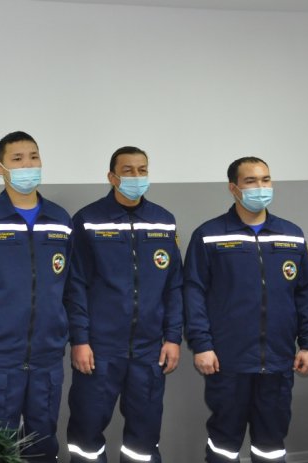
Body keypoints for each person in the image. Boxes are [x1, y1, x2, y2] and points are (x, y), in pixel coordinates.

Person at [184, 156, 308, 462]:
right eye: (251, 181)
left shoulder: (291, 234)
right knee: (224, 443)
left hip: (278, 361)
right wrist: (202, 345)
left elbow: (306, 292)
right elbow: (193, 292)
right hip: (228, 362)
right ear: (234, 188)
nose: (261, 187)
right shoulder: (209, 235)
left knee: (271, 443)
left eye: (265, 179)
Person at [0, 131, 72, 461]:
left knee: (42, 444)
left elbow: (69, 286)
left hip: (47, 356)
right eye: (17, 159)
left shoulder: (60, 221)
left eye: (33, 157)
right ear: (0, 167)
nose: (27, 165)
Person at [65, 146, 183, 462]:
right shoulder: (88, 220)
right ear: (112, 176)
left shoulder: (163, 221)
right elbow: (75, 286)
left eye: (142, 170)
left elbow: (174, 285)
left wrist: (173, 337)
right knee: (86, 436)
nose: (136, 176)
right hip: (99, 350)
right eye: (128, 170)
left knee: (144, 440)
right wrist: (80, 340)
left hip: (149, 351)